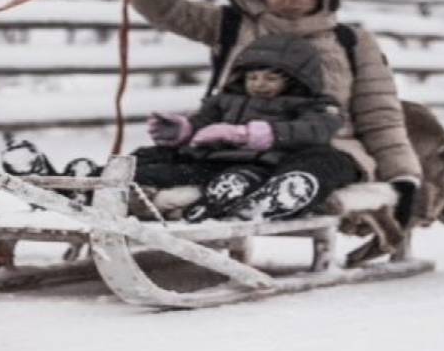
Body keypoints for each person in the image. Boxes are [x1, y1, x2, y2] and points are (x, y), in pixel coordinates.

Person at [109, 0, 421, 226]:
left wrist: (403, 177)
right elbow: (170, 12)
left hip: (325, 146)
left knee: (318, 164)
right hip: (234, 148)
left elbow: (380, 115)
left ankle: (277, 198)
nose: (287, 0)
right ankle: (98, 185)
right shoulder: (232, 26)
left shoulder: (351, 41)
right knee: (165, 158)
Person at [138, 33, 353, 222]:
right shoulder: (224, 100)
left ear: (296, 80)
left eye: (271, 78)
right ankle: (120, 177)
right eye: (252, 77)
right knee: (156, 160)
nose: (259, 84)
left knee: (243, 174)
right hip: (211, 161)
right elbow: (202, 123)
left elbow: (316, 128)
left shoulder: (313, 104)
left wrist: (247, 134)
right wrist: (183, 130)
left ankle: (241, 194)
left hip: (263, 163)